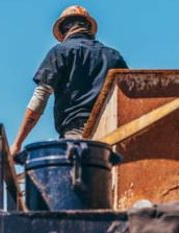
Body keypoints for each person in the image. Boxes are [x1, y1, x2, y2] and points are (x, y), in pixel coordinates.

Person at [11, 5, 128, 156]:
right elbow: (128, 97)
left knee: (77, 177)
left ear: (63, 30)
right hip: (111, 139)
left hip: (76, 137)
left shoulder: (59, 52)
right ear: (88, 28)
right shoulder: (114, 56)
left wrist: (17, 143)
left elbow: (40, 98)